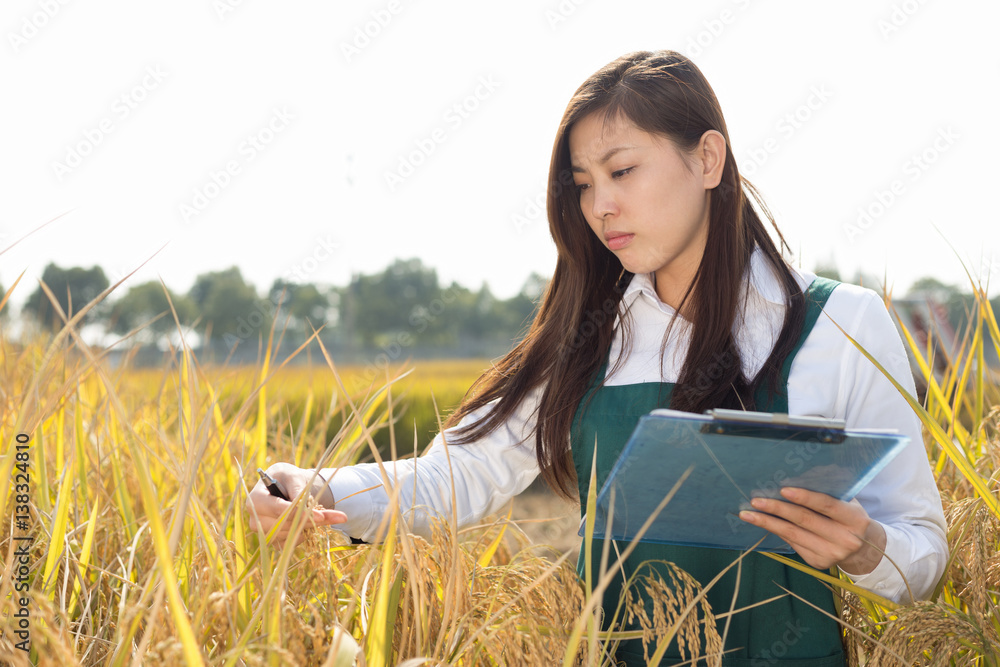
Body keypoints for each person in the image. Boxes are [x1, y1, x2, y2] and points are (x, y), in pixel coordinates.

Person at [247, 50, 948, 665]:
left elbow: (924, 554)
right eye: (583, 183)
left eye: (622, 170)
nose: (601, 205)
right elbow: (457, 475)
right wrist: (319, 489)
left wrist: (865, 549)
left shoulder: (841, 323)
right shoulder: (588, 338)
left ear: (708, 159)